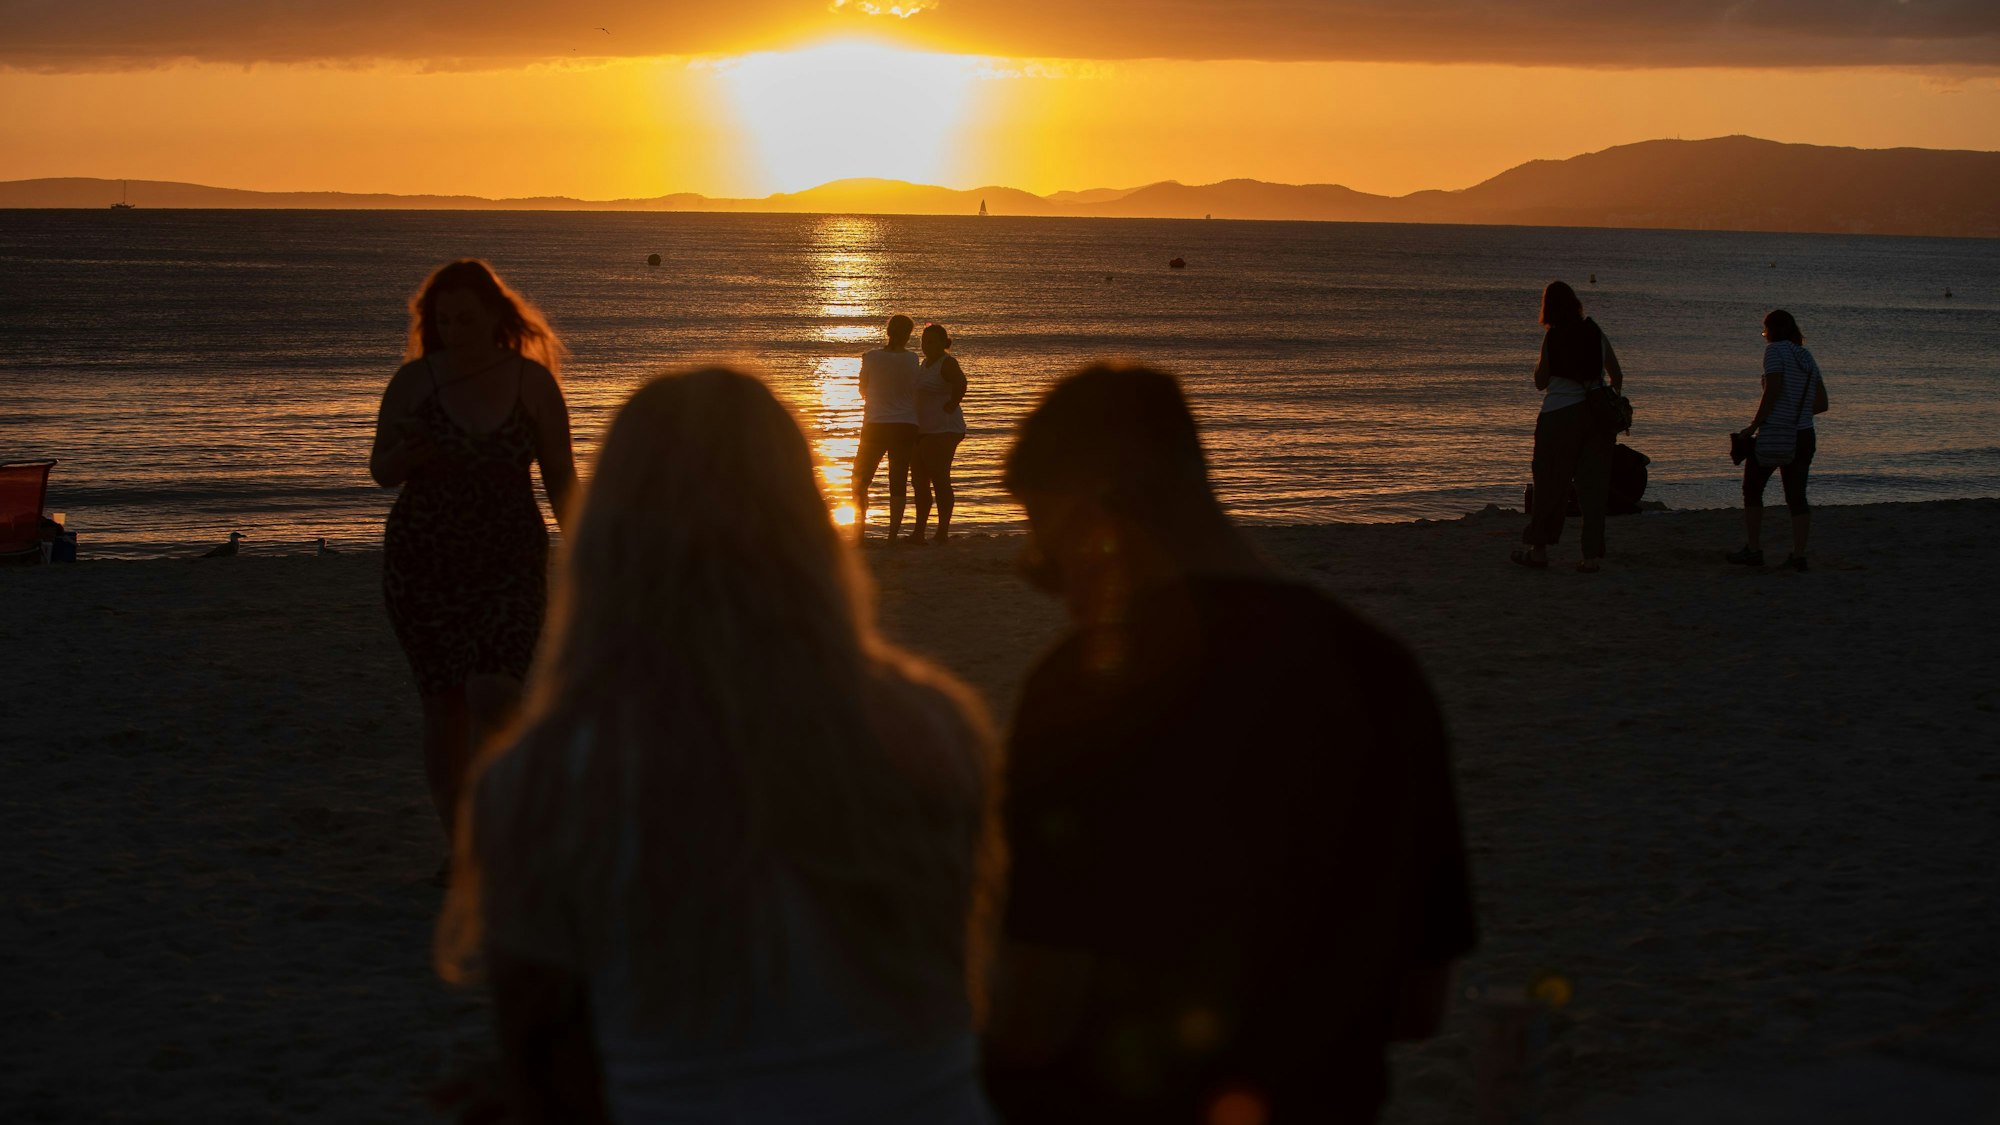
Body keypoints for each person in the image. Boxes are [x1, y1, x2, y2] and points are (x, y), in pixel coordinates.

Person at [436, 368, 1003, 1124]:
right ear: (803, 521)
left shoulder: (545, 775)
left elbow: (551, 1077)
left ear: (611, 534)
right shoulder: (934, 727)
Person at [983, 364, 1476, 1125]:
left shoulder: (1081, 686)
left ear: (1098, 518)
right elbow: (1418, 1002)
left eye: (1047, 554)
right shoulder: (1380, 671)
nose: (1058, 591)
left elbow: (1036, 1005)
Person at [369, 259, 576, 846]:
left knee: (496, 693)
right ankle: (463, 848)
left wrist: (591, 552)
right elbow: (381, 470)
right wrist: (406, 455)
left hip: (509, 561)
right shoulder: (415, 383)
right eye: (444, 321)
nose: (454, 331)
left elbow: (561, 479)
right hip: (422, 562)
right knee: (445, 708)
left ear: (494, 316)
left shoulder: (532, 383)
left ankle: (514, 822)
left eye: (465, 318)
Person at [1514, 280, 1625, 573]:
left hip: (1559, 416)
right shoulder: (1595, 331)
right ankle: (1591, 557)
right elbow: (1617, 375)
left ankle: (1539, 551)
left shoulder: (1553, 337)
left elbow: (1540, 382)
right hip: (1597, 418)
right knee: (1593, 489)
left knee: (1550, 485)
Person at [1729, 309, 1829, 572]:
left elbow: (1772, 390)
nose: (1764, 336)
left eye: (1765, 331)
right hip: (1804, 434)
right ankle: (1798, 556)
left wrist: (1754, 425)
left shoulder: (1774, 351)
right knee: (1797, 497)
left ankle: (1754, 550)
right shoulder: (1807, 357)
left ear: (1772, 330)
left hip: (1775, 433)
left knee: (1752, 489)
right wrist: (1797, 413)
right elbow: (1822, 403)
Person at [853, 314, 923, 542]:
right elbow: (915, 388)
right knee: (898, 480)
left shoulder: (871, 357)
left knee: (861, 479)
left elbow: (862, 389)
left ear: (888, 332)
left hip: (876, 424)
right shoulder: (913, 359)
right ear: (908, 336)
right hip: (905, 424)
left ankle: (859, 531)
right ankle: (892, 535)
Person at [908, 322, 969, 543]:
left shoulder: (947, 362)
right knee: (918, 480)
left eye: (932, 342)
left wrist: (953, 403)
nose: (926, 345)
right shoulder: (925, 363)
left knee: (940, 478)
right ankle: (919, 532)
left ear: (944, 343)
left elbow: (961, 382)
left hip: (944, 429)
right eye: (924, 341)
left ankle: (942, 532)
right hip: (922, 428)